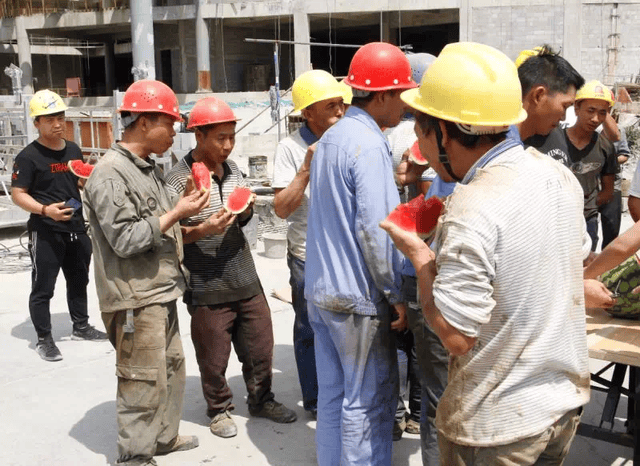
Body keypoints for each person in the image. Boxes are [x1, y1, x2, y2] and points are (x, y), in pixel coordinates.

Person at [383, 41, 591, 465]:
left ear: (442, 131)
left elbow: (458, 339)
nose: (419, 148)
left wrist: (422, 262)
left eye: (420, 131)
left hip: (498, 427)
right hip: (561, 405)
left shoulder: (471, 203)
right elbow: (574, 258)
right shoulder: (558, 175)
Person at [83, 80, 206, 466]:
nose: (173, 132)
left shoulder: (147, 169)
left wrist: (186, 201)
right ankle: (135, 454)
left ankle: (163, 437)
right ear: (145, 121)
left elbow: (163, 218)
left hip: (160, 288)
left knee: (169, 368)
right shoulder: (110, 173)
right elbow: (124, 238)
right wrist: (177, 212)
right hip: (134, 295)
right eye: (169, 123)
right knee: (140, 377)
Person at [305, 41, 414, 466]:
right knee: (366, 404)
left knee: (333, 399)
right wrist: (395, 294)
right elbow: (376, 230)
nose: (405, 103)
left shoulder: (332, 137)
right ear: (383, 94)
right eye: (402, 93)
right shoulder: (369, 145)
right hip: (358, 301)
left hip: (322, 291)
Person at [165, 96, 297, 439]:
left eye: (231, 137)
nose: (227, 145)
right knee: (213, 355)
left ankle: (262, 399)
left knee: (260, 346)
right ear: (199, 136)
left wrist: (247, 210)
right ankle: (219, 408)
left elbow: (243, 214)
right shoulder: (178, 179)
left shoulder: (234, 170)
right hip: (206, 283)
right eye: (219, 138)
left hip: (244, 275)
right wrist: (205, 230)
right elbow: (168, 234)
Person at [11, 89, 107, 362]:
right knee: (44, 287)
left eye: (60, 117)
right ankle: (44, 339)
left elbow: (75, 182)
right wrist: (45, 210)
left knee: (79, 279)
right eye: (49, 118)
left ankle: (81, 326)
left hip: (76, 227)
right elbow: (18, 193)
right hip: (46, 231)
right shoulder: (28, 157)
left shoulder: (73, 149)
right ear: (36, 123)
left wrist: (86, 179)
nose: (57, 123)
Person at [272, 70, 346, 420]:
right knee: (307, 327)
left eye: (341, 103)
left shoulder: (348, 138)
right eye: (330, 105)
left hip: (346, 253)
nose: (340, 111)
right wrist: (305, 169)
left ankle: (344, 392)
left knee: (346, 326)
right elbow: (282, 209)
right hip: (306, 255)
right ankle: (315, 399)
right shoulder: (289, 149)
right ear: (308, 112)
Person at [524, 80, 618, 250]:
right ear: (576, 108)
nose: (595, 118)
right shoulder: (551, 138)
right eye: (590, 110)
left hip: (586, 223)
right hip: (549, 220)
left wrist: (586, 206)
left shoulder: (606, 147)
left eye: (602, 113)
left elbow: (608, 190)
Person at [599, 125, 629, 248]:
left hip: (612, 186)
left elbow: (625, 155)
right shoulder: (584, 129)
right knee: (587, 232)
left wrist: (610, 162)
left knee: (611, 230)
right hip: (589, 187)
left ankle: (606, 264)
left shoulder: (618, 130)